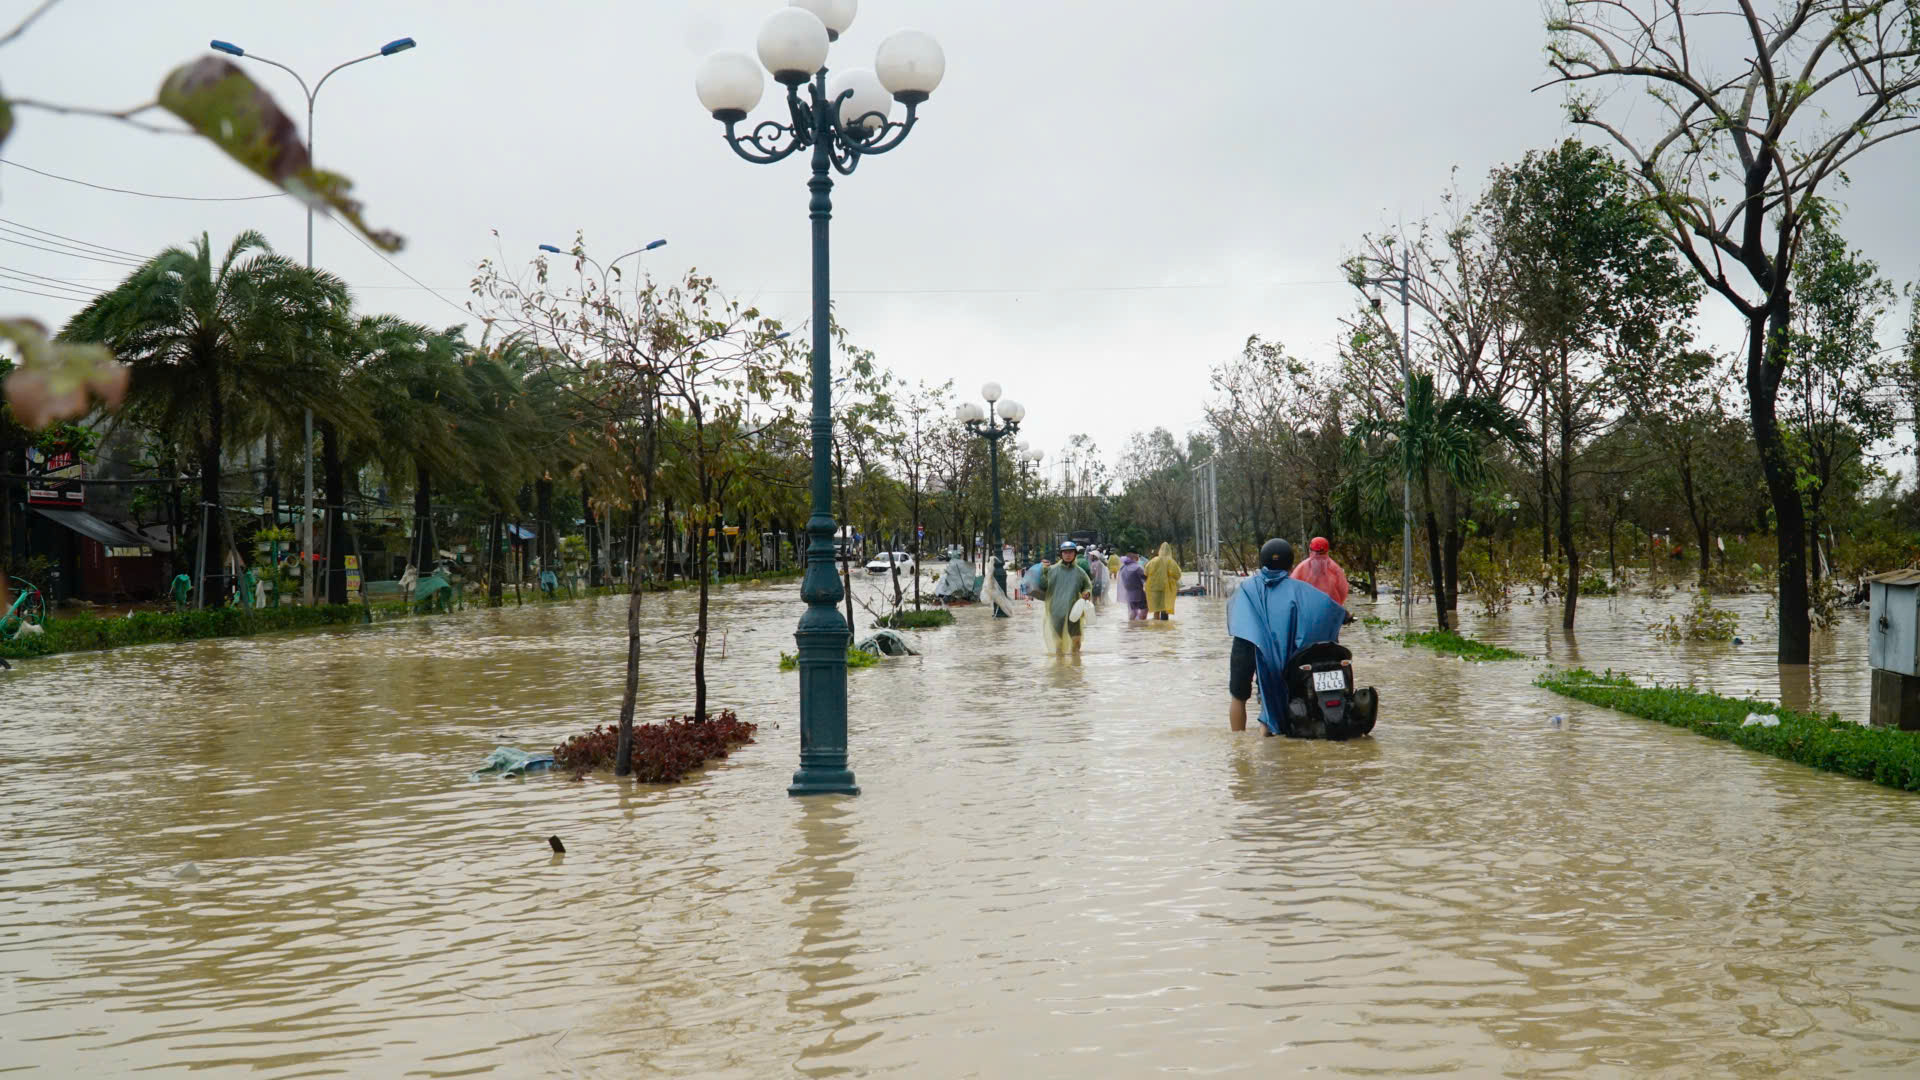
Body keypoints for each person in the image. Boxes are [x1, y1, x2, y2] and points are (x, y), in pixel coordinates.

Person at [1228, 538, 1347, 734]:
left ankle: (1238, 748)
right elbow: (1327, 607)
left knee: (1238, 696)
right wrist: (1344, 616)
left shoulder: (1246, 588)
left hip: (1247, 643)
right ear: (1289, 563)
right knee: (1275, 688)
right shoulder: (1300, 588)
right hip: (1284, 650)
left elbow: (1236, 615)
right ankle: (1267, 733)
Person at [1033, 540, 1093, 653]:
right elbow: (1042, 585)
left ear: (1075, 554)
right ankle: (1060, 667)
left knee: (1076, 641)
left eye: (1071, 552)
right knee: (1058, 643)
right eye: (1065, 552)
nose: (1068, 555)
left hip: (1074, 612)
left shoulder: (1080, 572)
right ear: (1061, 554)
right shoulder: (1051, 570)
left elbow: (1087, 585)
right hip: (1056, 612)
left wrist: (1087, 593)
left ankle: (1076, 665)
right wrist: (1043, 571)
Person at [1292, 536, 1350, 606]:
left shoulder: (1302, 567)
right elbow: (1343, 591)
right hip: (1330, 608)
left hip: (1307, 609)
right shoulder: (1335, 568)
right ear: (1327, 550)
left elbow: (1292, 589)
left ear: (1310, 550)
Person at [1144, 542, 1181, 620]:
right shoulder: (1171, 561)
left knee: (1156, 610)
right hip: (1166, 589)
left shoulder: (1153, 560)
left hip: (1153, 589)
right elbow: (1177, 574)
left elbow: (1146, 571)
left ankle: (1157, 627)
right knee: (1165, 609)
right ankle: (1164, 628)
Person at [1118, 552, 1148, 620]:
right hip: (1139, 594)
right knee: (1144, 609)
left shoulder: (1123, 568)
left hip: (1129, 595)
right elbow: (1146, 578)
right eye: (1137, 557)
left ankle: (1132, 626)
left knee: (1134, 611)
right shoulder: (1137, 567)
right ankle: (1141, 626)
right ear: (1134, 558)